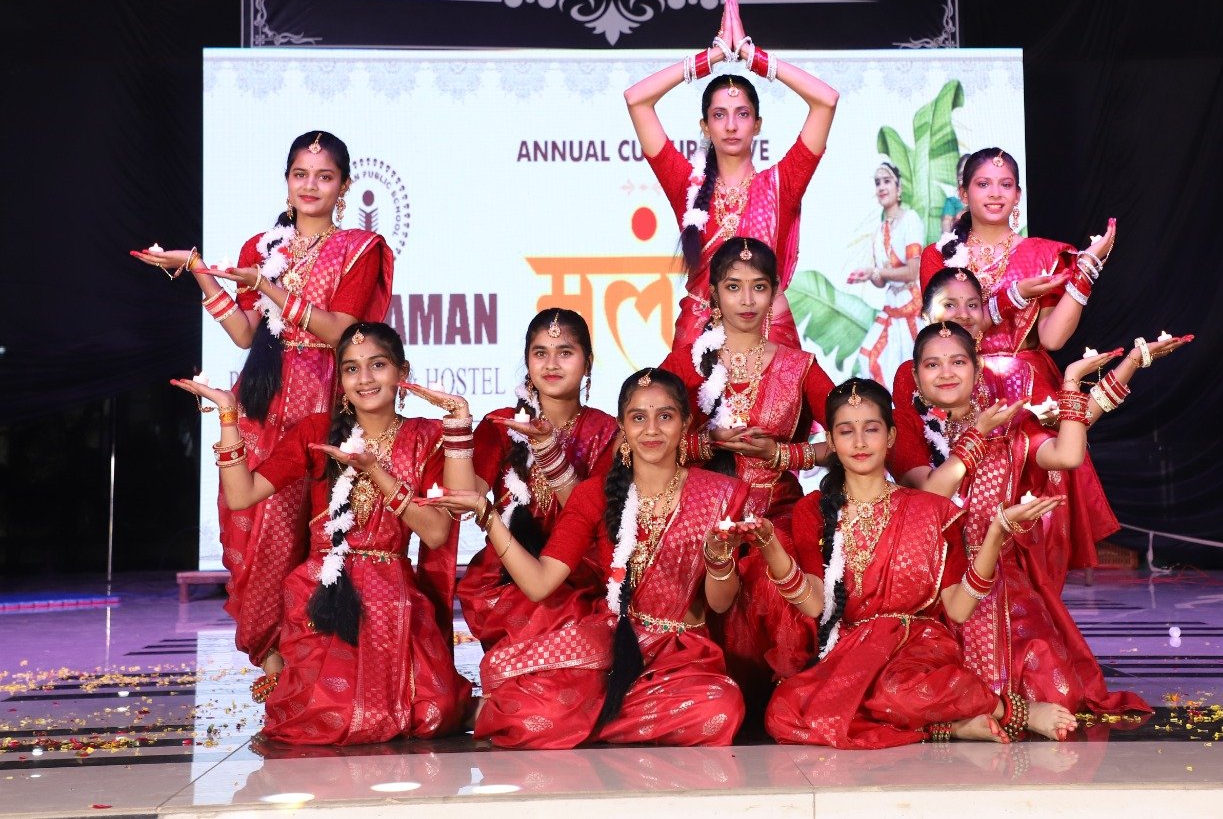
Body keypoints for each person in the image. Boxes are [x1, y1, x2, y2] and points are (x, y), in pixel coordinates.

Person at [134, 131, 393, 696]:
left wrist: (270, 287)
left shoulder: (360, 249)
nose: (311, 186)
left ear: (344, 187)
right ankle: (276, 668)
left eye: (324, 177)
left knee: (321, 530)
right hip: (262, 405)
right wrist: (200, 270)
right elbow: (245, 333)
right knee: (260, 534)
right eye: (301, 174)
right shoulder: (261, 247)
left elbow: (343, 330)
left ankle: (325, 669)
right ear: (287, 180)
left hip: (325, 403)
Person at [171, 322, 470, 744]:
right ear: (340, 378)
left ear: (402, 371)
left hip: (394, 596)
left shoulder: (426, 437)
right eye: (351, 369)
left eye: (377, 365)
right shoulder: (316, 431)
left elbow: (438, 533)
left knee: (435, 714)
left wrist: (376, 472)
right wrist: (228, 415)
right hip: (323, 592)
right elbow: (242, 495)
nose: (364, 379)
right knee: (322, 715)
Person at [431, 369, 750, 749]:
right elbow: (539, 583)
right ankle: (590, 714)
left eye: (665, 416)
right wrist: (487, 515)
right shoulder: (593, 495)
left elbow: (720, 601)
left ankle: (588, 720)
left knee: (721, 708)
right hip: (611, 648)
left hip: (681, 655)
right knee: (539, 713)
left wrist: (718, 560)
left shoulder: (720, 493)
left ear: (684, 425)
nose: (651, 429)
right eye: (638, 417)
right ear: (623, 428)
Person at [754, 379, 1077, 748]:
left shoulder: (933, 510)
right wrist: (770, 547)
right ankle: (945, 726)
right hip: (851, 652)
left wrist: (996, 533)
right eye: (846, 431)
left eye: (871, 429)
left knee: (898, 692)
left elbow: (957, 608)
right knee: (784, 711)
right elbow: (814, 604)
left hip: (917, 648)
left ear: (891, 437)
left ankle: (1007, 708)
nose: (860, 442)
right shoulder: (811, 510)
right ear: (830, 440)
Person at [915, 322, 1190, 717]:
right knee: (929, 691)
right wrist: (976, 436)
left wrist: (1073, 381)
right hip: (934, 587)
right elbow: (930, 496)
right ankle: (985, 713)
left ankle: (998, 710)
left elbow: (1066, 455)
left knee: (1058, 693)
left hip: (1005, 585)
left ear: (977, 369)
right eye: (933, 364)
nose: (945, 372)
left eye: (958, 362)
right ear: (915, 374)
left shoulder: (1010, 431)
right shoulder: (908, 428)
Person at [918, 146, 1116, 586]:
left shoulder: (1043, 253)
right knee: (967, 521)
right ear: (963, 192)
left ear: (1018, 194)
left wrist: (1086, 272)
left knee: (1038, 521)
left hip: (1029, 398)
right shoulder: (939, 257)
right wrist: (1013, 296)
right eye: (982, 184)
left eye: (1005, 184)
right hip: (960, 392)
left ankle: (1035, 633)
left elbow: (1052, 339)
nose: (994, 193)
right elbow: (941, 326)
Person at [660, 235, 835, 699]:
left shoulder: (800, 367)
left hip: (775, 513)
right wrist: (705, 442)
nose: (747, 300)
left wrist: (783, 456)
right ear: (714, 293)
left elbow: (852, 437)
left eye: (759, 287)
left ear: (775, 292)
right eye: (734, 287)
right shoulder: (687, 361)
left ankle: (779, 692)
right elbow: (642, 440)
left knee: (775, 568)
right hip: (703, 514)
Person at [626, 0, 838, 350]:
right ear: (705, 126)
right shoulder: (686, 185)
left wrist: (754, 59)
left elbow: (826, 100)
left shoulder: (782, 183)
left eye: (742, 115)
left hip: (771, 334)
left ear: (757, 124)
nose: (730, 126)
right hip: (700, 335)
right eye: (719, 115)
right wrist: (711, 58)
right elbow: (636, 100)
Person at [449, 309, 620, 688]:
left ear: (588, 362)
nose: (552, 363)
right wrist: (459, 425)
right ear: (527, 361)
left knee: (572, 677)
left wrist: (548, 451)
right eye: (540, 353)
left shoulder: (609, 432)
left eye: (565, 352)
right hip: (507, 576)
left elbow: (590, 515)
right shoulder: (502, 424)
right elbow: (467, 498)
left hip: (579, 578)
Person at [889, 266, 989, 484]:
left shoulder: (1002, 369)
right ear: (926, 315)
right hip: (938, 489)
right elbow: (918, 461)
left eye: (972, 305)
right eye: (949, 305)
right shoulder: (910, 375)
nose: (963, 314)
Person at [849, 159, 924, 385]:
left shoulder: (910, 219)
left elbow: (912, 272)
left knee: (915, 371)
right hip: (892, 307)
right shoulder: (880, 231)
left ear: (898, 189)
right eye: (878, 183)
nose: (882, 187)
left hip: (912, 308)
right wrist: (870, 275)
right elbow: (882, 281)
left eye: (887, 181)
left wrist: (878, 271)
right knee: (869, 358)